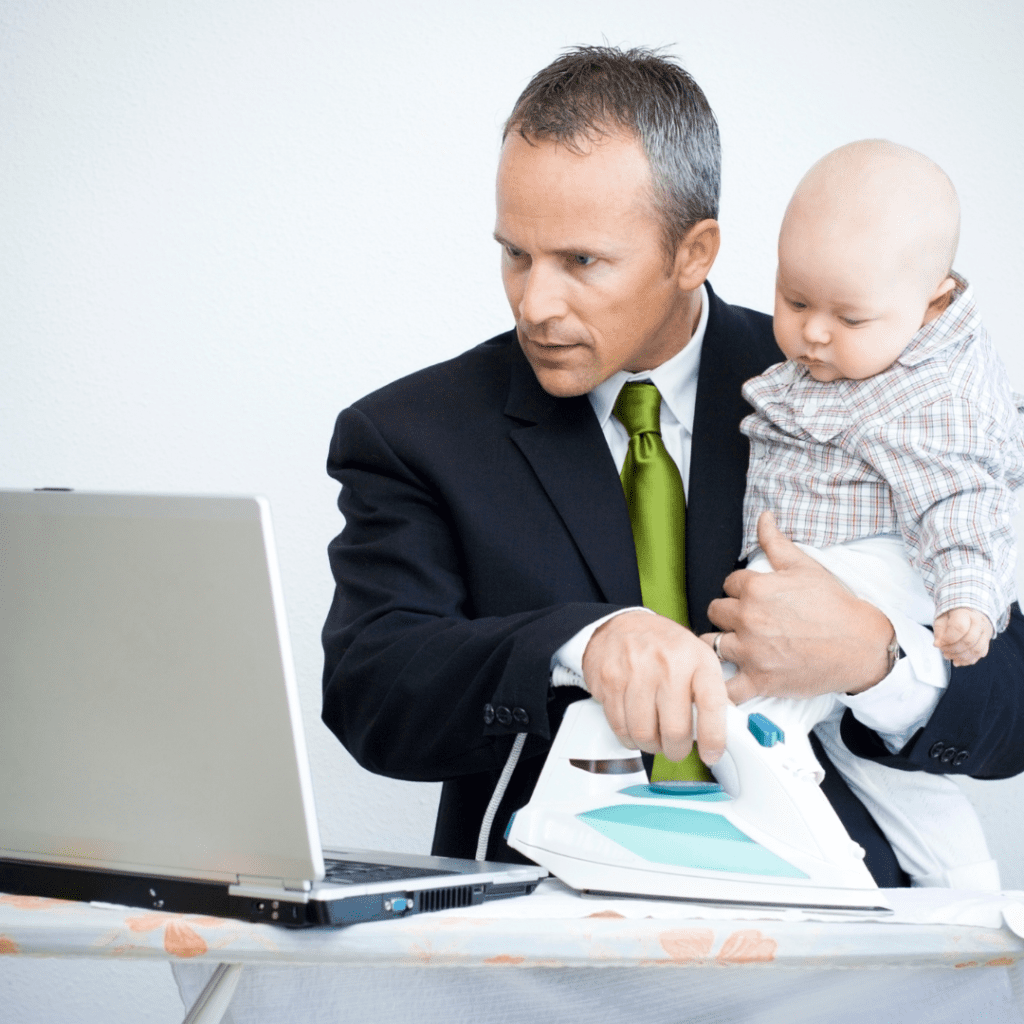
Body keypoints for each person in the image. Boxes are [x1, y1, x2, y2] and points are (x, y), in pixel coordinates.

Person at [321, 47, 1024, 886]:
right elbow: (371, 691)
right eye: (516, 255)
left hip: (836, 929)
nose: (535, 304)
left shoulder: (866, 383)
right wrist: (580, 645)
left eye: (581, 261)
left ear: (695, 253)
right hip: (548, 930)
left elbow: (1012, 708)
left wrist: (875, 660)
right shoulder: (411, 433)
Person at [730, 139, 1024, 887]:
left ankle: (786, 796)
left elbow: (965, 500)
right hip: (840, 557)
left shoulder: (935, 397)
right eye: (795, 300)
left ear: (932, 306)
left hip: (877, 567)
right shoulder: (836, 363)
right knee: (893, 776)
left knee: (754, 701)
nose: (813, 333)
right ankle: (969, 892)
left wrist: (967, 597)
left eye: (850, 317)